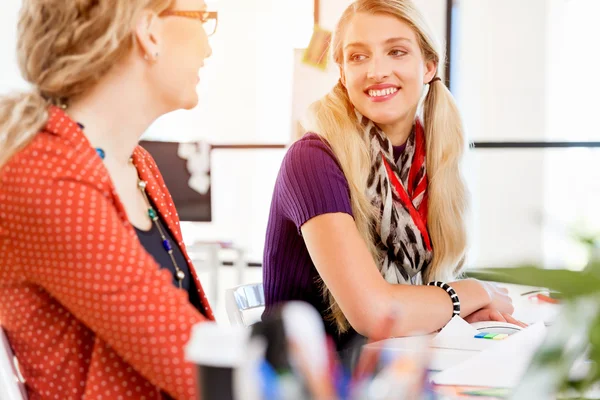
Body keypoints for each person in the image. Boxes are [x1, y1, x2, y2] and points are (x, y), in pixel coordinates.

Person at [262, 0, 524, 355]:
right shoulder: (313, 159)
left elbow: (412, 301)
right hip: (311, 378)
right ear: (341, 73)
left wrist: (454, 313)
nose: (376, 70)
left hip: (392, 364)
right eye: (358, 57)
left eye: (397, 52)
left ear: (429, 66)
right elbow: (374, 313)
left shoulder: (430, 154)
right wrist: (473, 293)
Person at [0, 0, 217, 398]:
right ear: (150, 31)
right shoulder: (44, 175)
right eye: (203, 18)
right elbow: (194, 363)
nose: (208, 46)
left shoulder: (139, 164)